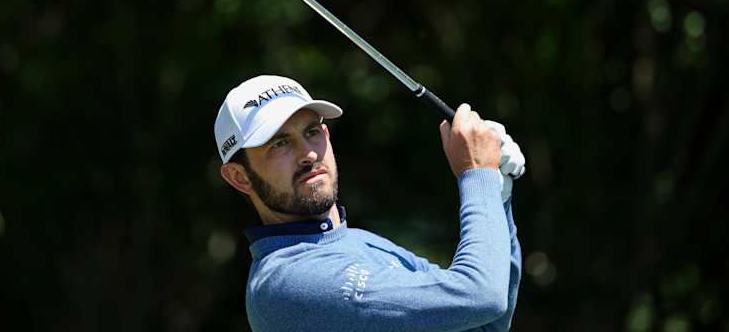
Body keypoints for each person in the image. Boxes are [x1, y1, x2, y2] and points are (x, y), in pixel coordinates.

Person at [214, 74, 524, 332]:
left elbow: (486, 322)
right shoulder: (285, 283)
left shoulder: (361, 243)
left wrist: (497, 196)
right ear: (239, 177)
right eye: (280, 144)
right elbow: (481, 295)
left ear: (327, 135)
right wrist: (476, 175)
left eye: (311, 132)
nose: (308, 153)